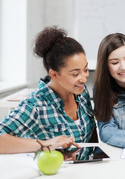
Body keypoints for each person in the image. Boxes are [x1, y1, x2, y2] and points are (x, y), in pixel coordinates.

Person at [0, 26, 96, 154]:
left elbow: (90, 139)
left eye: (85, 70)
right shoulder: (35, 104)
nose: (84, 78)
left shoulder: (81, 93)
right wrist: (45, 144)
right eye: (75, 74)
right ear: (54, 75)